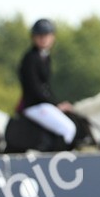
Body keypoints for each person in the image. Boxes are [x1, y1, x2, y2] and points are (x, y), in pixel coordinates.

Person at [17, 18, 76, 147]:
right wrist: (55, 104)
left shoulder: (46, 57)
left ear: (53, 38)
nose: (43, 39)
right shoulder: (30, 58)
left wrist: (58, 103)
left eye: (47, 35)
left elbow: (47, 87)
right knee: (68, 129)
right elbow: (35, 87)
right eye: (40, 36)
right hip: (34, 105)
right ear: (33, 38)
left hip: (44, 104)